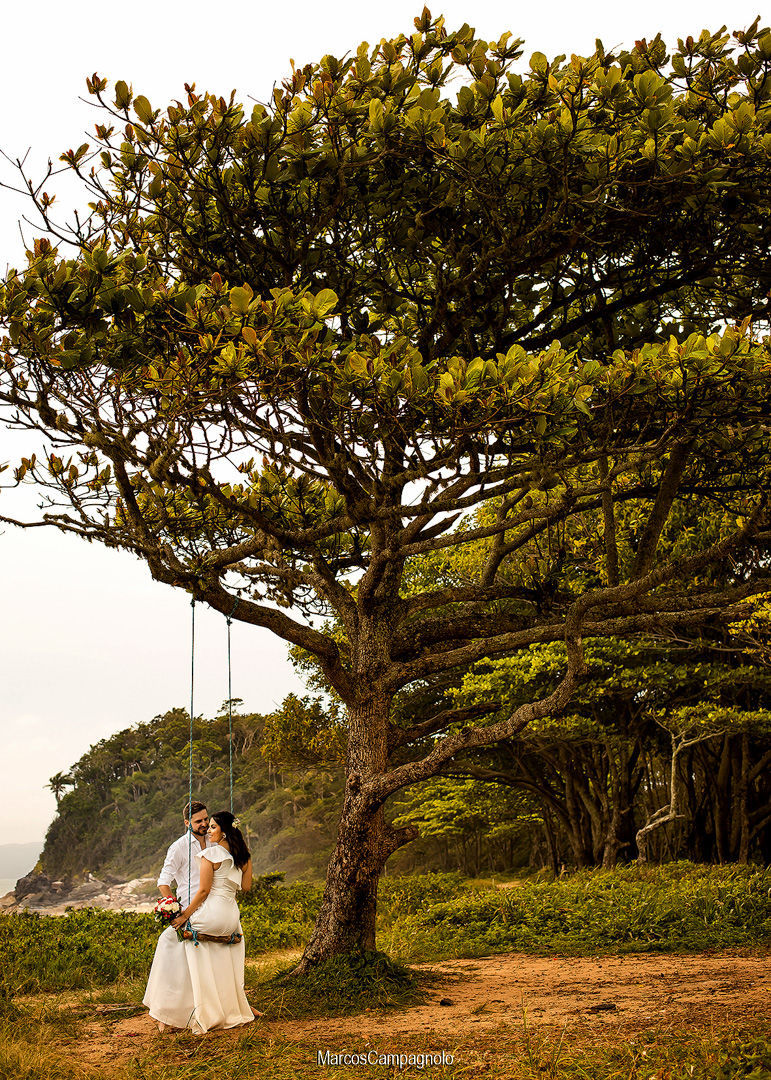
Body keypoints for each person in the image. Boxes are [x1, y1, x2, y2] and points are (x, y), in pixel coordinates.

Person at [143, 810, 256, 1033]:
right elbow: (246, 888)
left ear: (223, 831)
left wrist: (184, 915)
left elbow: (204, 890)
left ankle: (167, 1011)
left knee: (169, 940)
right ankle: (216, 1006)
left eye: (211, 824)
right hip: (231, 916)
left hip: (209, 911)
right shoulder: (243, 855)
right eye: (203, 823)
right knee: (193, 950)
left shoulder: (211, 853)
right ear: (188, 822)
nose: (207, 827)